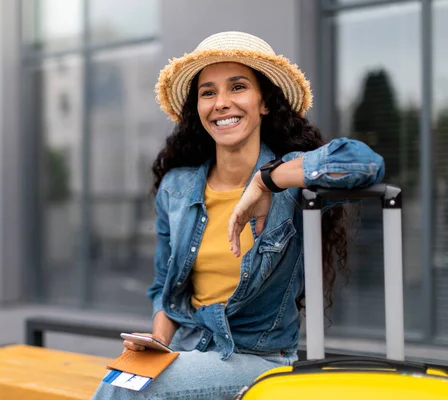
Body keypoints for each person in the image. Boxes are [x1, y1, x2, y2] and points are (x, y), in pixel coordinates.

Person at [92, 31, 384, 400]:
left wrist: (267, 182)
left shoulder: (291, 180)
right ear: (197, 109)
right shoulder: (176, 188)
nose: (222, 103)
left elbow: (365, 164)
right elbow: (165, 286)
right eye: (208, 92)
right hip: (186, 349)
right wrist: (156, 341)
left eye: (238, 87)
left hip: (257, 358)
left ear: (264, 102)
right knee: (126, 379)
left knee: (122, 391)